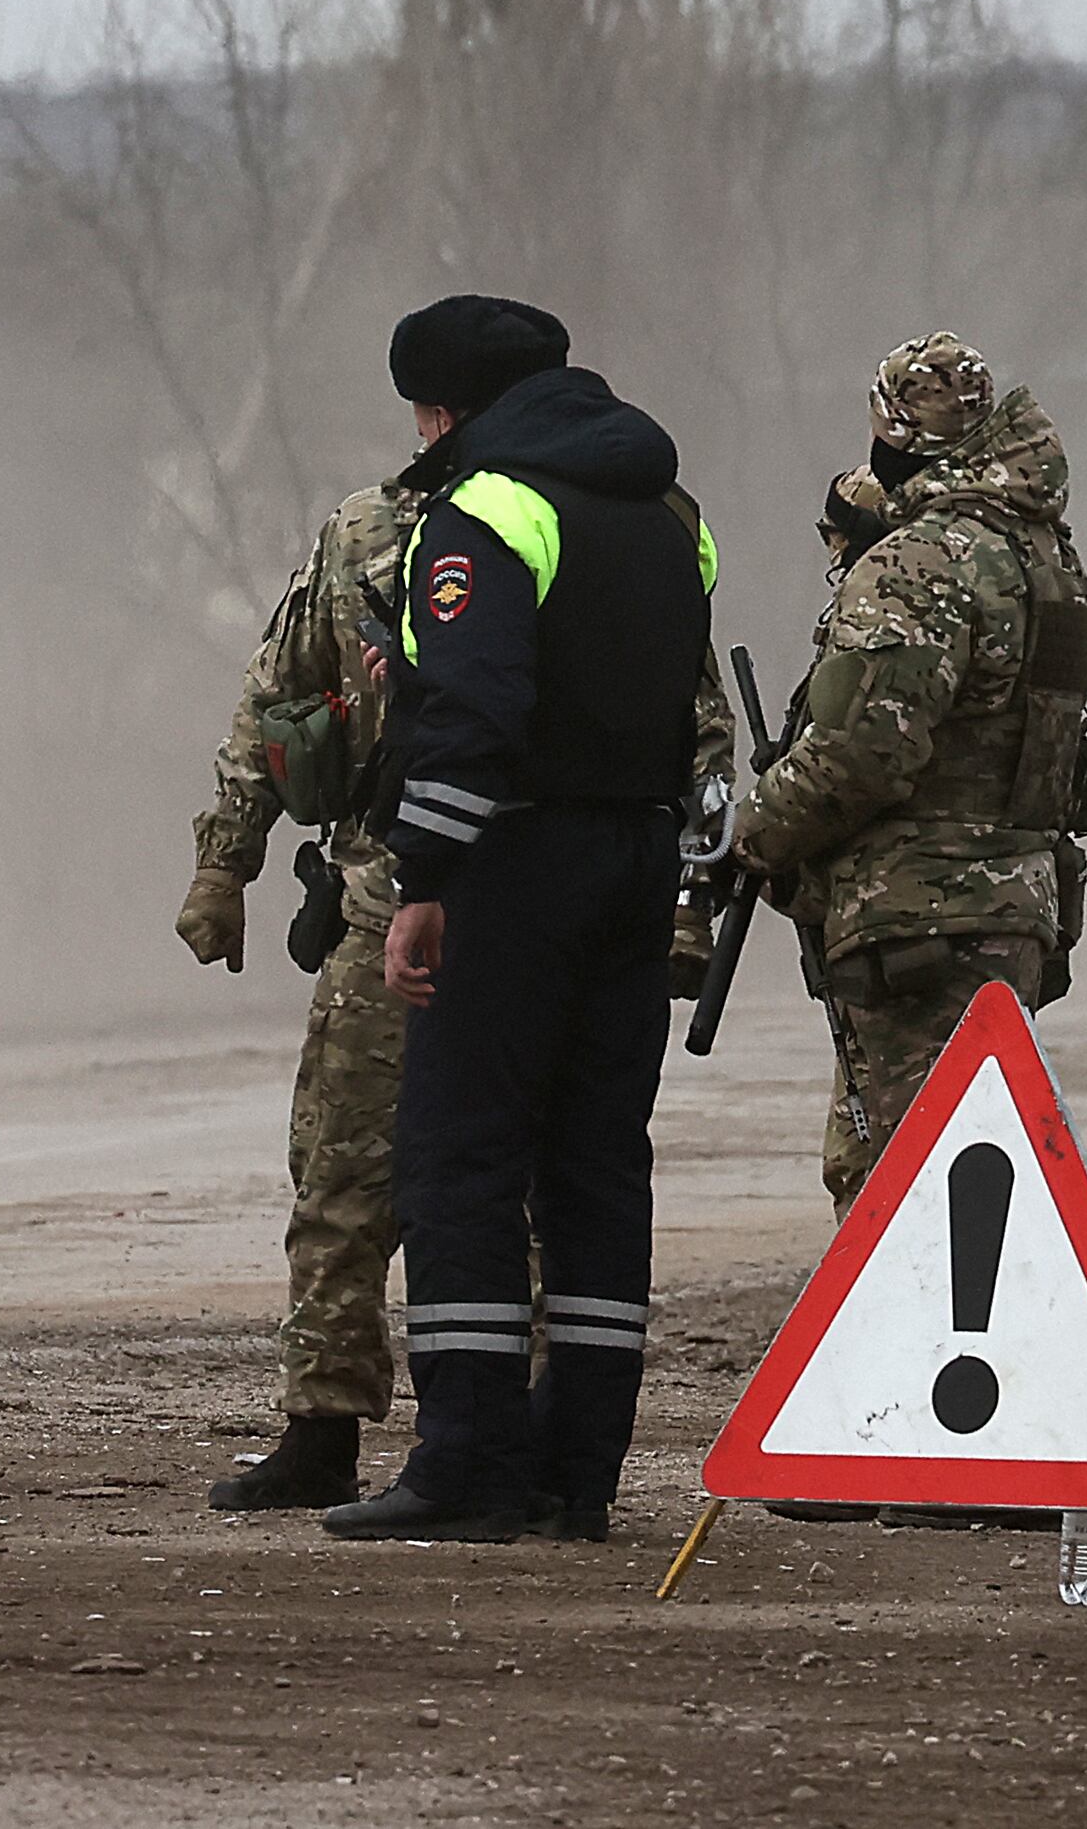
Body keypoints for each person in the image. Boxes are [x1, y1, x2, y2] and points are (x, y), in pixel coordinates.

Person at [321, 296, 715, 1547]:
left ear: (446, 410)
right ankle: (576, 1471)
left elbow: (476, 711)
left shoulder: (485, 509)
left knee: (460, 1161)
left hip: (517, 862)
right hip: (638, 856)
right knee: (598, 1167)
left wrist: (422, 876)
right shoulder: (666, 512)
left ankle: (468, 1463)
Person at [737, 335, 1087, 1216]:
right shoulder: (1046, 557)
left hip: (916, 923)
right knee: (975, 1183)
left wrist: (750, 830)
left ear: (899, 432)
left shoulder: (919, 563)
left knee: (899, 1201)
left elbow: (864, 751)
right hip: (1017, 908)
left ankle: (919, 1359)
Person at [179, 475, 423, 1510]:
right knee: (340, 1173)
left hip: (508, 907)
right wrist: (222, 864)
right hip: (378, 899)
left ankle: (510, 1435)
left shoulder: (577, 534)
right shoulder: (363, 534)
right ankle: (321, 1426)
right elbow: (275, 701)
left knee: (516, 1187)